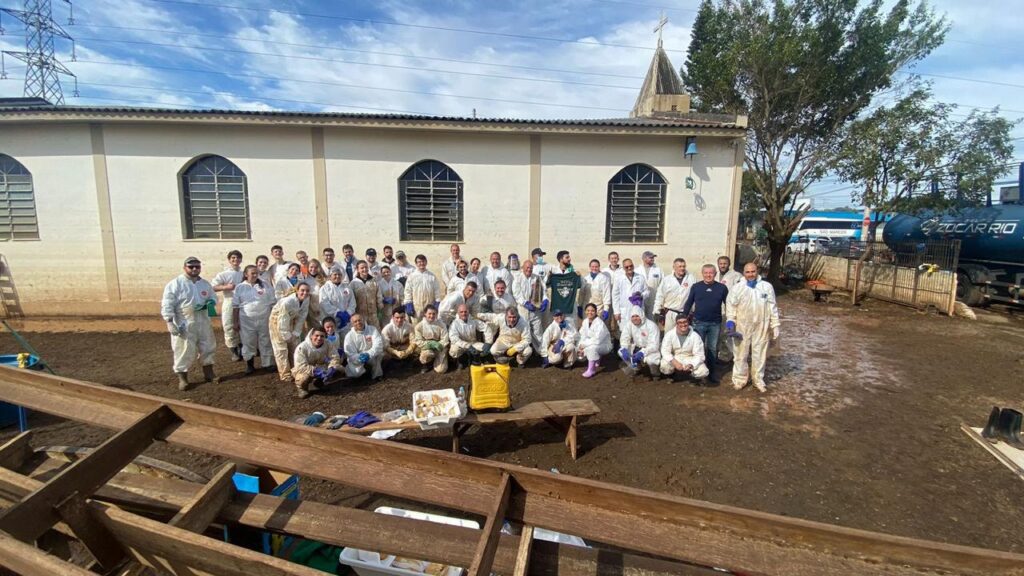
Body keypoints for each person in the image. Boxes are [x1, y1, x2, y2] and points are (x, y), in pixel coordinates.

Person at [161, 256, 219, 391]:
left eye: (197, 267)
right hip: (185, 323)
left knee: (208, 346)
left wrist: (210, 302)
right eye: (191, 266)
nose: (194, 269)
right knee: (183, 350)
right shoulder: (175, 284)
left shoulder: (204, 284)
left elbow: (213, 297)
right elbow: (167, 303)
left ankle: (209, 373)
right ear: (184, 267)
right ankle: (183, 378)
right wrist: (169, 321)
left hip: (203, 321)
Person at [726, 262, 780, 392]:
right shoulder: (738, 288)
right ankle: (739, 379)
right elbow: (731, 306)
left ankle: (758, 380)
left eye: (753, 271)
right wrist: (730, 322)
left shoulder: (766, 287)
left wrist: (775, 324)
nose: (751, 274)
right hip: (742, 325)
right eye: (748, 272)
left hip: (762, 325)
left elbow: (772, 306)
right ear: (744, 273)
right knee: (740, 354)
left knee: (759, 354)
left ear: (757, 271)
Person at [681, 264, 729, 383]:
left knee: (712, 349)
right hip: (699, 323)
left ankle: (711, 373)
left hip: (715, 323)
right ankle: (695, 372)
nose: (708, 275)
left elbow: (729, 304)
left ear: (715, 274)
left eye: (711, 273)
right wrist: (682, 316)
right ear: (702, 274)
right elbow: (689, 303)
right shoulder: (696, 287)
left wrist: (734, 318)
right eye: (706, 273)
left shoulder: (722, 288)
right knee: (698, 349)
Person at [233, 264, 276, 375]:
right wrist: (235, 322)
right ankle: (250, 365)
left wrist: (273, 320)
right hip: (246, 320)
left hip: (264, 318)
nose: (255, 275)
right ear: (246, 274)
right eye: (252, 273)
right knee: (248, 341)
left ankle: (267, 364)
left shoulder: (265, 285)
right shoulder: (240, 287)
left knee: (265, 340)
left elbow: (272, 303)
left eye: (256, 273)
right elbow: (235, 306)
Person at [268, 282, 310, 383]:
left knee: (295, 345)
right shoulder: (288, 302)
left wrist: (296, 332)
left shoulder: (306, 300)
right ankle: (285, 374)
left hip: (292, 319)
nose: (305, 293)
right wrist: (286, 335)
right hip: (277, 320)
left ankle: (295, 369)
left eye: (307, 291)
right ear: (297, 290)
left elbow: (302, 316)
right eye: (302, 290)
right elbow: (283, 320)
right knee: (281, 348)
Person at [291, 326, 342, 399]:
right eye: (316, 335)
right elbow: (300, 366)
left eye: (322, 336)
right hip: (306, 370)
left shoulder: (328, 344)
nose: (319, 338)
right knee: (303, 377)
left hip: (322, 366)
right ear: (311, 336)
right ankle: (302, 388)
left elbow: (335, 357)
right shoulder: (302, 347)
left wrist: (331, 368)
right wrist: (316, 371)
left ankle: (319, 383)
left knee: (338, 369)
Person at [212, 250, 244, 361]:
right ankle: (234, 351)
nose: (236, 260)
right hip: (229, 301)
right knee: (229, 326)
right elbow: (213, 287)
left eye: (238, 258)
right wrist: (225, 287)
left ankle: (242, 348)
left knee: (243, 326)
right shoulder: (223, 274)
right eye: (233, 258)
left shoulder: (243, 273)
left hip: (243, 302)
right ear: (229, 260)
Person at [659, 316, 709, 382]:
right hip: (675, 357)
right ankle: (672, 375)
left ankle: (691, 377)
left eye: (685, 322)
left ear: (688, 323)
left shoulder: (695, 336)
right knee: (664, 365)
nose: (683, 324)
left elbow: (699, 355)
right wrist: (674, 362)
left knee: (703, 371)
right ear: (676, 324)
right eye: (680, 322)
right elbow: (665, 351)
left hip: (689, 358)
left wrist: (691, 365)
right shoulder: (669, 334)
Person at [512, 260, 546, 354]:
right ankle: (523, 355)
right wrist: (525, 303)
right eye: (527, 267)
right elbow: (516, 294)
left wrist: (545, 300)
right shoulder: (518, 278)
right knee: (523, 333)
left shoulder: (537, 278)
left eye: (530, 268)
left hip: (535, 310)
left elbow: (543, 291)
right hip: (523, 310)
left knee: (538, 333)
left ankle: (542, 354)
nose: (529, 269)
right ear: (523, 268)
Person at [618, 306, 661, 376]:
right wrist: (624, 348)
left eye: (637, 316)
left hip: (650, 349)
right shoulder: (629, 325)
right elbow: (624, 338)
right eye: (633, 316)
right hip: (637, 347)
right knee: (621, 352)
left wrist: (642, 352)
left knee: (651, 360)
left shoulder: (651, 326)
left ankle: (655, 372)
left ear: (642, 315)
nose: (635, 318)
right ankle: (636, 368)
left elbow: (654, 345)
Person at [654, 258, 696, 328]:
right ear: (674, 267)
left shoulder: (691, 278)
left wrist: (694, 311)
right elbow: (660, 296)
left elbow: (695, 296)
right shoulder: (666, 280)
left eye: (684, 266)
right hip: (670, 312)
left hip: (685, 313)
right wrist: (657, 311)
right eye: (680, 266)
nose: (682, 268)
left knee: (685, 335)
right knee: (669, 335)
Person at [343, 313, 384, 381]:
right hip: (358, 358)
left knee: (379, 355)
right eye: (355, 321)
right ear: (352, 324)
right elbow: (350, 353)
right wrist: (359, 358)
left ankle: (377, 375)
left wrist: (368, 354)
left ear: (364, 319)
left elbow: (378, 345)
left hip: (370, 355)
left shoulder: (372, 329)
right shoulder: (349, 336)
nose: (358, 322)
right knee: (356, 374)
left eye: (360, 320)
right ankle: (349, 370)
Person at [403, 254, 442, 322]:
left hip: (429, 307)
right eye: (419, 262)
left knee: (429, 326)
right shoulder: (412, 277)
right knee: (416, 328)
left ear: (426, 262)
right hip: (416, 308)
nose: (421, 263)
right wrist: (408, 303)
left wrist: (437, 303)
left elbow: (437, 290)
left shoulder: (432, 276)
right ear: (416, 263)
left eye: (423, 261)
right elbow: (408, 291)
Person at [448, 304, 489, 369]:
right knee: (454, 351)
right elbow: (454, 339)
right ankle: (460, 361)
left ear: (468, 311)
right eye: (461, 312)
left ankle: (475, 358)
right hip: (460, 345)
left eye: (465, 311)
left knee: (485, 349)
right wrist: (467, 346)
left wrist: (488, 342)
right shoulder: (454, 324)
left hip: (473, 343)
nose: (464, 313)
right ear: (458, 313)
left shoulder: (473, 320)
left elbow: (486, 328)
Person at [577, 303, 612, 378]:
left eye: (592, 311)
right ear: (585, 311)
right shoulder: (585, 321)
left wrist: (585, 345)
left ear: (596, 312)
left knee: (592, 348)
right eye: (588, 310)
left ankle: (591, 370)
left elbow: (597, 340)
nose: (590, 312)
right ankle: (597, 359)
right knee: (580, 353)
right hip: (593, 343)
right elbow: (582, 334)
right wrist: (580, 345)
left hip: (604, 345)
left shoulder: (600, 323)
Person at [413, 305, 450, 374]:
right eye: (429, 314)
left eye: (434, 314)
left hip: (439, 346)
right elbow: (418, 341)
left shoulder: (441, 324)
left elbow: (445, 338)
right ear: (425, 314)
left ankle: (440, 360)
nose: (432, 316)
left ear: (436, 314)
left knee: (441, 370)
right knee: (426, 354)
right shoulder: (419, 326)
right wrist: (430, 344)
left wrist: (440, 345)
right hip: (427, 347)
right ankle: (426, 364)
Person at [546, 250, 581, 322]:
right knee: (557, 329)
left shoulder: (573, 272)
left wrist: (579, 276)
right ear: (561, 259)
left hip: (570, 306)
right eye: (567, 257)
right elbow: (545, 285)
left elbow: (580, 285)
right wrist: (548, 277)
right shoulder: (554, 271)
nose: (569, 259)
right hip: (557, 306)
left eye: (569, 257)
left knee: (571, 329)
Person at [319, 269, 356, 335]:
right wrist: (338, 313)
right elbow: (324, 303)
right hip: (331, 321)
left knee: (346, 340)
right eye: (335, 274)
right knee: (333, 341)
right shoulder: (324, 288)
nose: (337, 276)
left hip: (346, 321)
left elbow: (352, 302)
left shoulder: (347, 287)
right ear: (330, 276)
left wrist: (348, 313)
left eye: (339, 274)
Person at [612, 259, 647, 327]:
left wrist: (641, 295)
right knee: (625, 332)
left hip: (638, 309)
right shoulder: (619, 279)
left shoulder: (640, 277)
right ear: (623, 268)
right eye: (626, 267)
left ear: (633, 266)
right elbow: (615, 296)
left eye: (631, 266)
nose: (629, 268)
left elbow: (647, 291)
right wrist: (616, 312)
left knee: (638, 331)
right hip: (624, 310)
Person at [480, 279, 516, 343]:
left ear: (505, 288)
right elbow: (481, 305)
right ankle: (488, 345)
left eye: (502, 288)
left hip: (505, 320)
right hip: (492, 319)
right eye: (498, 288)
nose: (500, 290)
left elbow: (514, 310)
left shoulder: (510, 297)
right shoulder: (489, 296)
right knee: (489, 330)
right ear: (494, 288)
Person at [581, 259, 613, 326]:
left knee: (598, 327)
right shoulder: (585, 279)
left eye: (596, 266)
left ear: (599, 267)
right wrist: (580, 306)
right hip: (587, 307)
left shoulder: (604, 279)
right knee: (587, 326)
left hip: (599, 308)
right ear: (590, 267)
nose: (594, 268)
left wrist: (606, 309)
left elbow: (606, 294)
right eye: (592, 266)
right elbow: (582, 294)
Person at [350, 260, 381, 329]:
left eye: (366, 267)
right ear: (357, 269)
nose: (364, 269)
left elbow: (379, 295)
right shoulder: (354, 283)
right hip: (360, 315)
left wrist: (380, 308)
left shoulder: (374, 281)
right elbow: (351, 299)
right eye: (362, 268)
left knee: (375, 331)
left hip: (373, 314)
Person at [638, 251, 663, 320]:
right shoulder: (637, 270)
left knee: (653, 319)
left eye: (653, 257)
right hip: (641, 298)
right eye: (650, 257)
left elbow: (662, 285)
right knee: (641, 318)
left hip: (654, 298)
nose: (652, 259)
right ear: (644, 259)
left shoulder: (658, 270)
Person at [304, 258, 327, 331]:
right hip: (310, 310)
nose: (313, 269)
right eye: (311, 267)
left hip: (324, 308)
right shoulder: (305, 280)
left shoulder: (325, 280)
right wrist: (313, 308)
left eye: (316, 267)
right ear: (308, 268)